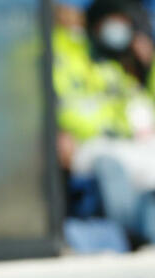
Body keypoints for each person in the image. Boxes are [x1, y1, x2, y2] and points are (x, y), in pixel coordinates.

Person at [53, 0, 155, 246]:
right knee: (110, 165)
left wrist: (149, 66)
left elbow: (136, 107)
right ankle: (131, 237)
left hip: (126, 142)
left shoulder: (117, 65)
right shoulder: (61, 52)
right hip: (85, 145)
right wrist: (54, 132)